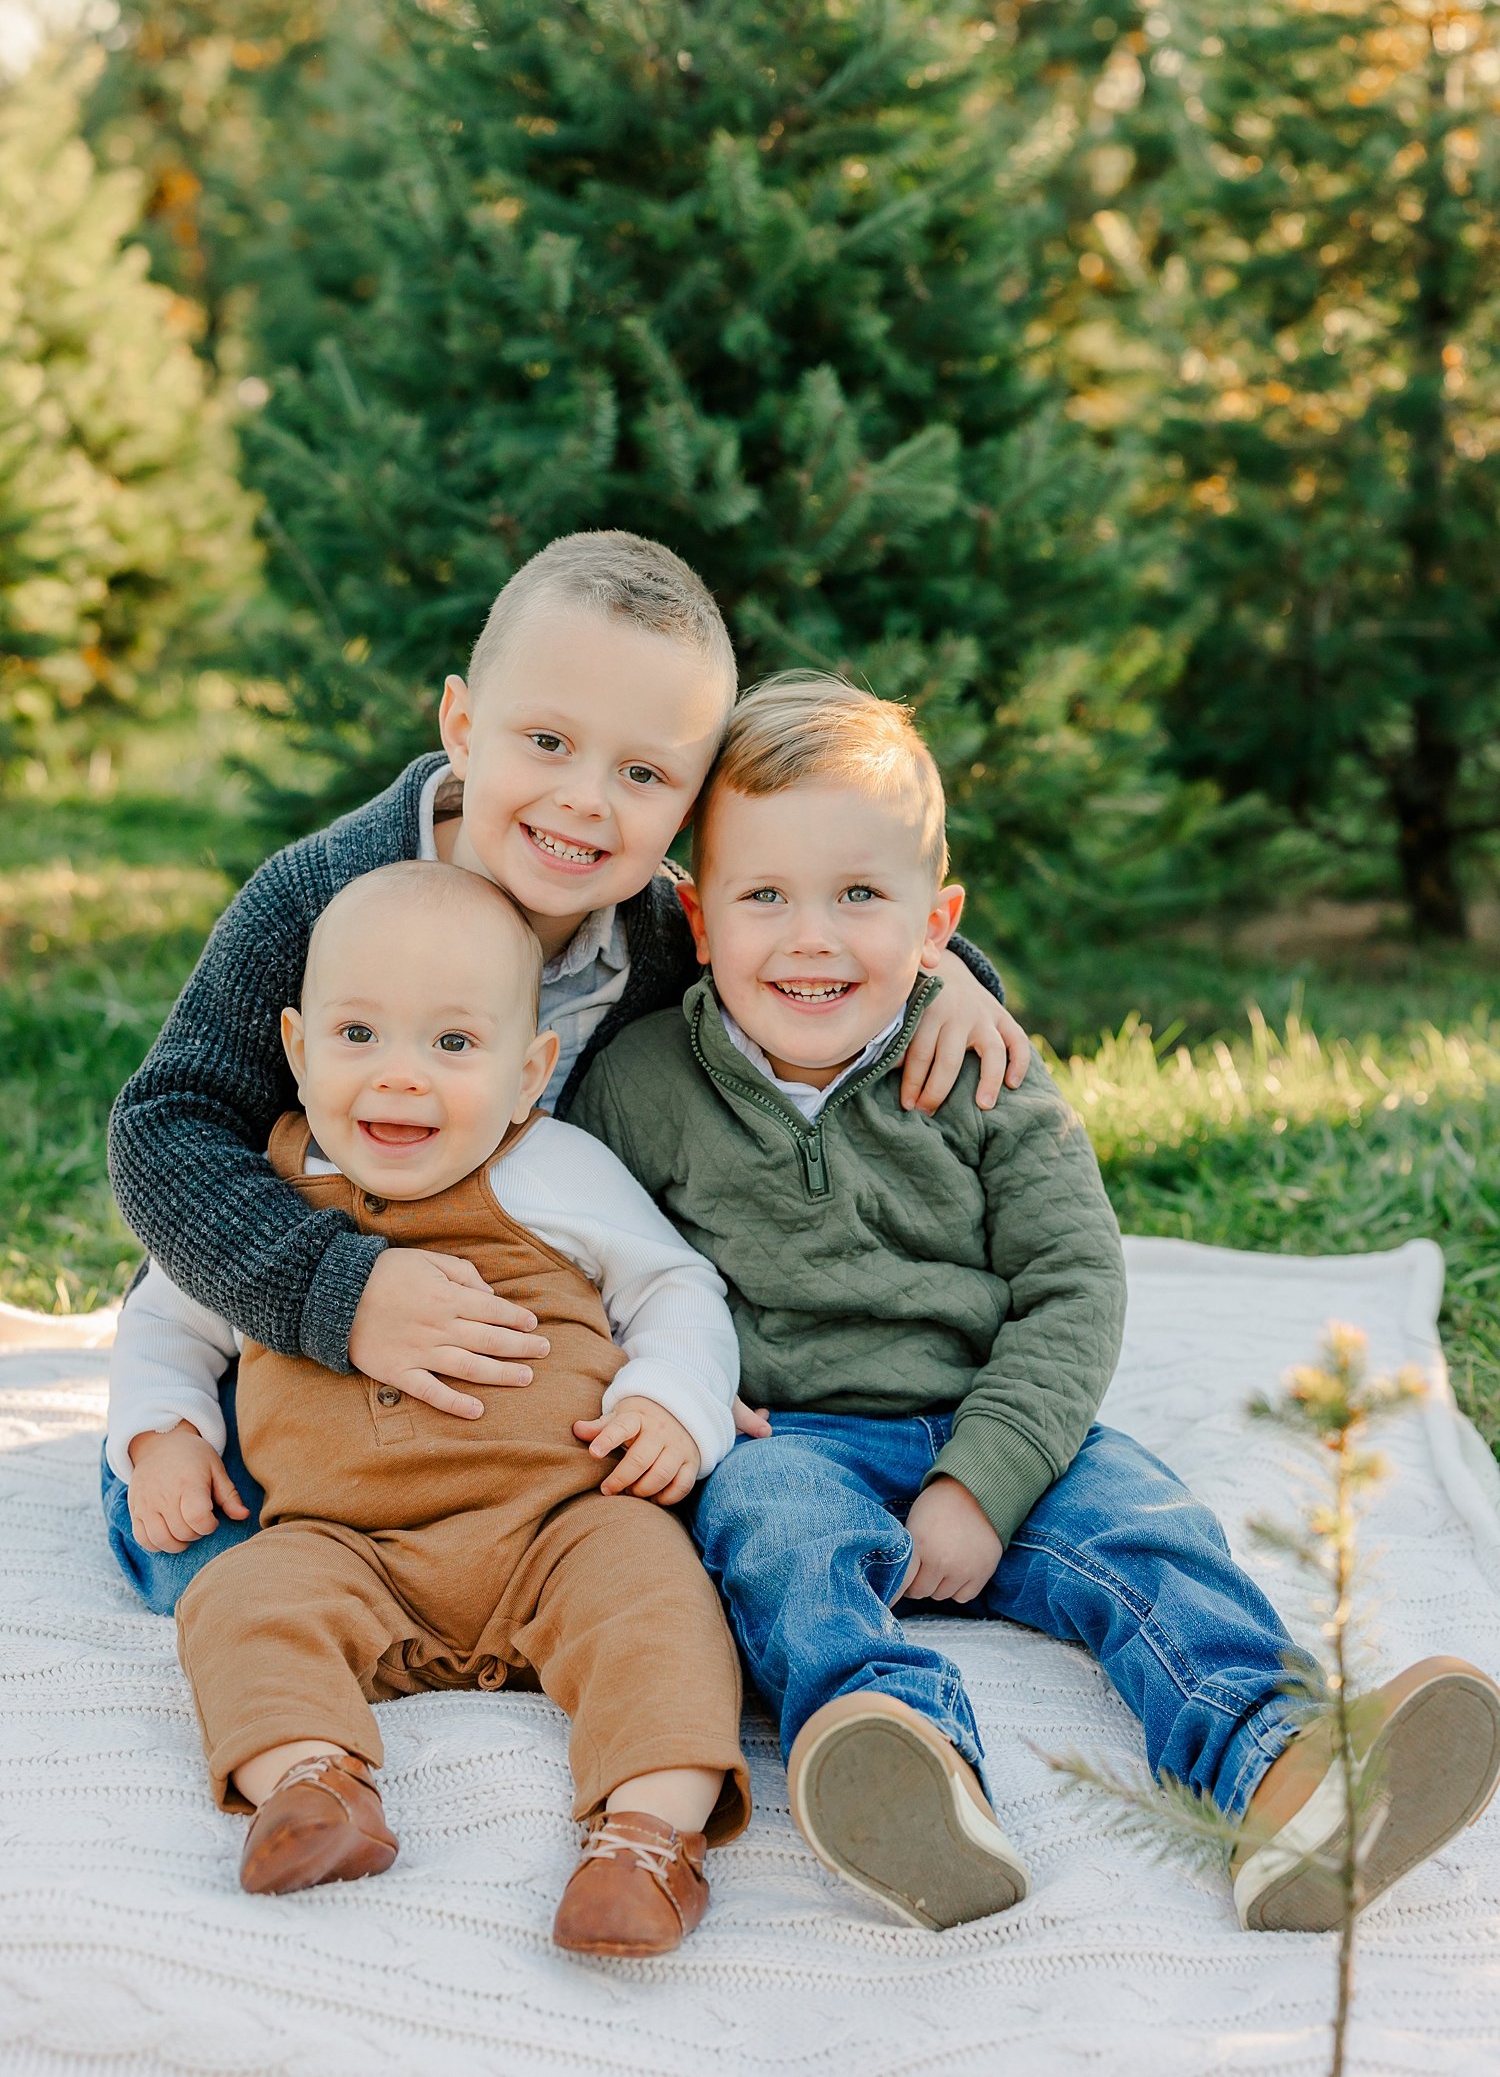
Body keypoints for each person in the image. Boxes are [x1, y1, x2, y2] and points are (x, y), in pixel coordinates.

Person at [572, 671, 1500, 1935]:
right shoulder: (638, 1085)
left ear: (936, 921)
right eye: (764, 896)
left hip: (989, 1411)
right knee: (770, 1538)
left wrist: (987, 1477)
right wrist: (664, 1385)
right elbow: (580, 1257)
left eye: (860, 897)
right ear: (695, 912)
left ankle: (1280, 1772)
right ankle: (907, 1763)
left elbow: (1074, 1285)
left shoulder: (987, 1069)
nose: (810, 938)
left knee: (1151, 1528)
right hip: (784, 1432)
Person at [103, 530, 1030, 1609]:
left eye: (643, 773)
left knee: (687, 1545)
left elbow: (810, 940)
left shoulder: (663, 942)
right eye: (546, 740)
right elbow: (166, 1123)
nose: (586, 800)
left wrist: (950, 975)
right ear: (462, 726)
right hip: (284, 1340)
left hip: (534, 1384)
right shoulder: (318, 896)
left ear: (690, 808)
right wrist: (336, 1293)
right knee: (214, 1559)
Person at [111, 860, 750, 1957]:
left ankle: (647, 1837)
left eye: (454, 1046)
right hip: (344, 1544)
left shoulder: (559, 1166)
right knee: (240, 1599)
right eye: (360, 1037)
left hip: (560, 1525)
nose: (400, 1079)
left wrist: (673, 1400)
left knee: (660, 1600)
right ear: (300, 1051)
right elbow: (166, 1326)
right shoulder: (257, 1195)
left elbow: (675, 1290)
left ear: (528, 1073)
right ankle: (310, 1785)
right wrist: (165, 1436)